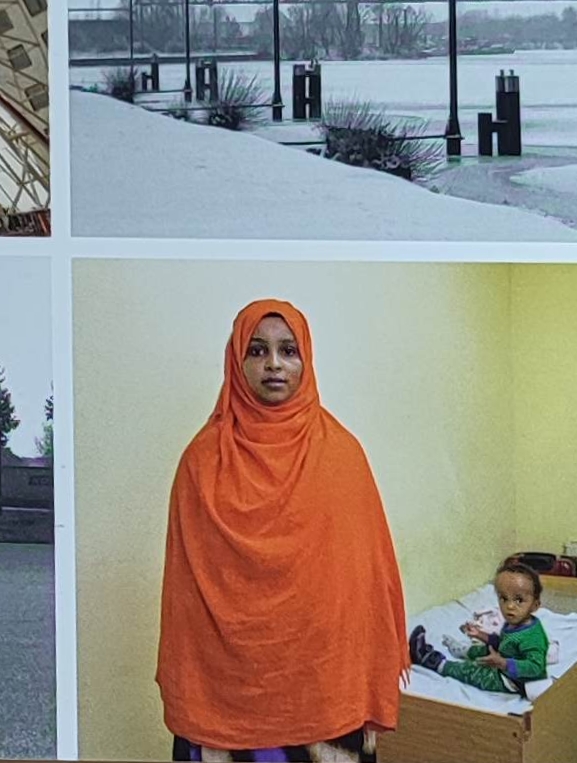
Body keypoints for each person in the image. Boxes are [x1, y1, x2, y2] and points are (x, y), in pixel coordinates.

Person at [157, 300, 410, 763]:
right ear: (236, 360)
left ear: (306, 360)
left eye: (288, 350)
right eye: (256, 351)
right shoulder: (201, 461)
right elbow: (186, 595)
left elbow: (364, 581)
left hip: (325, 685)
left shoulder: (342, 455)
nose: (273, 364)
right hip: (225, 693)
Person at [409, 563, 550, 695]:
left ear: (535, 605)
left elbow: (535, 666)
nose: (510, 606)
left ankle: (436, 662)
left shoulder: (533, 637)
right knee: (484, 649)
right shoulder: (515, 623)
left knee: (472, 672)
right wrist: (481, 635)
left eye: (519, 600)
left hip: (511, 681)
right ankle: (463, 651)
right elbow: (504, 643)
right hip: (505, 659)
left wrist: (503, 663)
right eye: (504, 599)